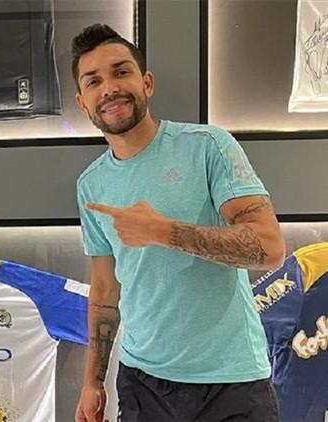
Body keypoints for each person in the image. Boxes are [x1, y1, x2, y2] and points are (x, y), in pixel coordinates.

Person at [71, 24, 285, 422]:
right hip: (142, 382)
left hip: (231, 381)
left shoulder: (208, 147)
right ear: (83, 103)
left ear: (147, 83)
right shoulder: (91, 185)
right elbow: (104, 289)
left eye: (121, 72)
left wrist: (162, 231)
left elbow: (269, 247)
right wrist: (92, 382)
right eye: (94, 81)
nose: (110, 88)